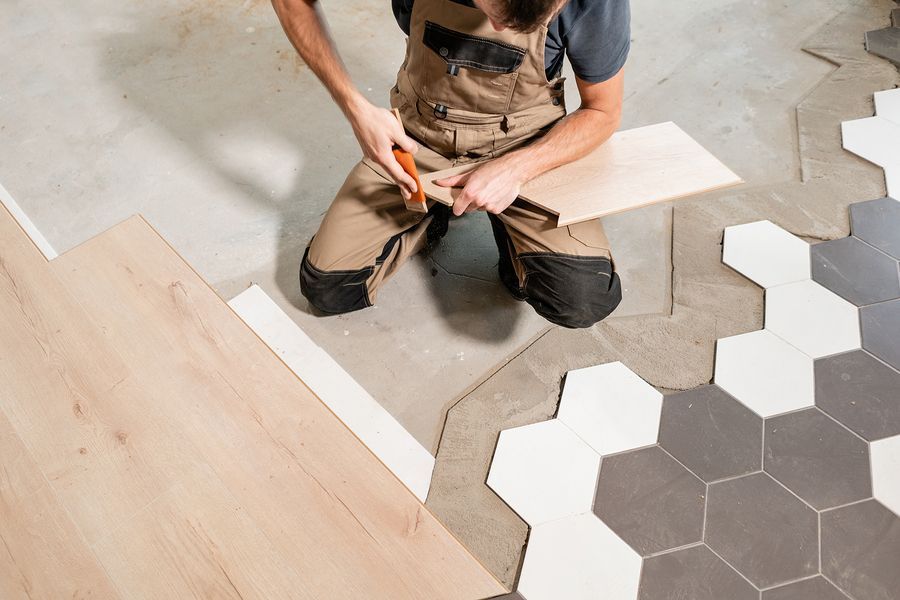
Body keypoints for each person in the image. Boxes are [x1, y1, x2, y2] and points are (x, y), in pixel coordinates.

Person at [272, 0, 630, 328]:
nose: (498, 30)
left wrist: (516, 169)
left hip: (526, 143)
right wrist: (354, 107)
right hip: (419, 137)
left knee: (582, 298)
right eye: (494, 11)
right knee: (328, 287)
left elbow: (602, 111)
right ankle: (430, 216)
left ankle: (511, 240)